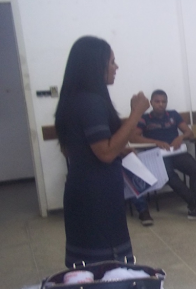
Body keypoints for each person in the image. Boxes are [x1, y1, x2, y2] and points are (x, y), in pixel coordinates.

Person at [54, 36, 150, 267]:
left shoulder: (73, 99)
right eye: (112, 62)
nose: (116, 67)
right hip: (97, 196)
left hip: (83, 188)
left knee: (87, 264)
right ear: (95, 64)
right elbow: (104, 153)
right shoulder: (91, 102)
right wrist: (137, 112)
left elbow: (74, 149)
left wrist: (121, 151)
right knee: (106, 266)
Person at [129, 89, 196, 223]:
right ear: (151, 103)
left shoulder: (173, 115)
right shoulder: (145, 118)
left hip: (175, 152)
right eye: (157, 101)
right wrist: (155, 142)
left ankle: (195, 208)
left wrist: (181, 137)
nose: (160, 104)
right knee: (169, 175)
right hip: (158, 155)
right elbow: (134, 137)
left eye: (163, 101)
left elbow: (189, 133)